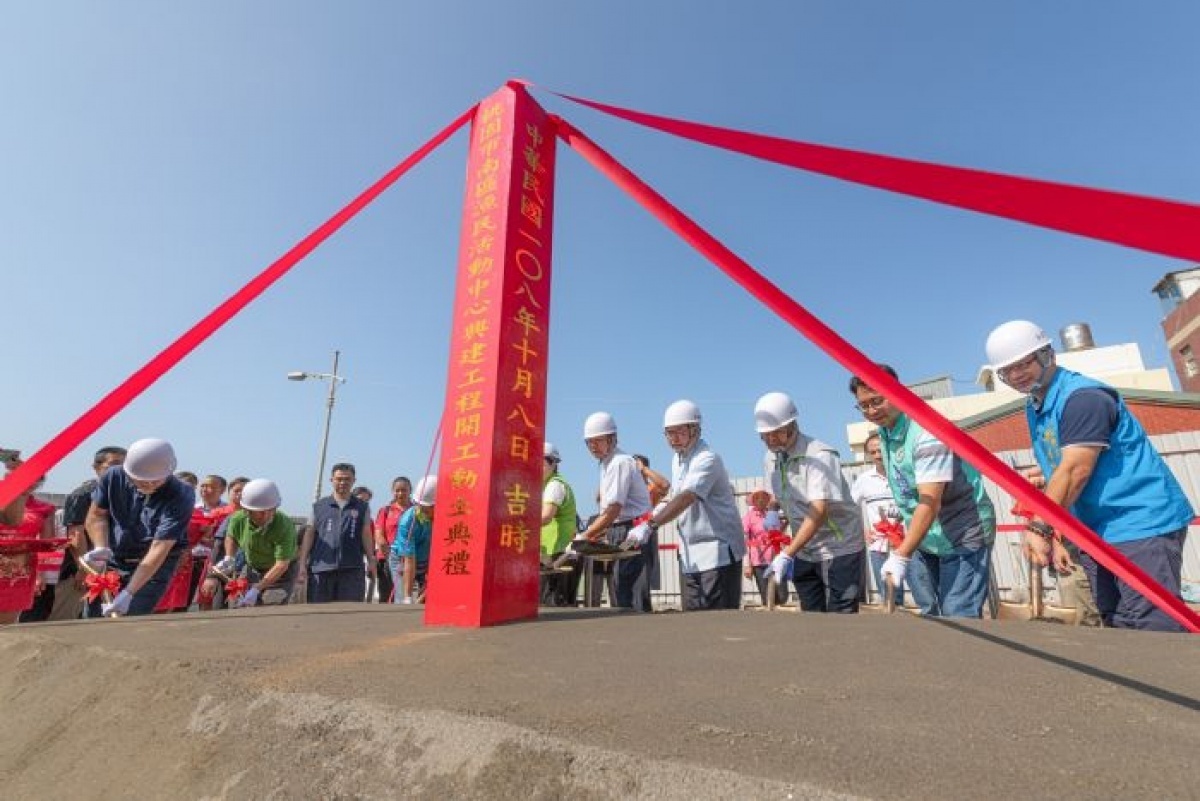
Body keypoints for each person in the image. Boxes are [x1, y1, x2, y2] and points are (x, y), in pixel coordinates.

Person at [986, 320, 1193, 631]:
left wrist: (1041, 527)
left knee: (1154, 624)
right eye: (1007, 371)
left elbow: (1075, 469)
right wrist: (1056, 518)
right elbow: (1062, 466)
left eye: (1023, 364)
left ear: (1047, 354)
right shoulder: (1037, 405)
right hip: (1094, 530)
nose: (1016, 375)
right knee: (1116, 621)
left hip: (1138, 522)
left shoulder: (1083, 398)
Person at [850, 366, 996, 619]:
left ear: (898, 392)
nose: (872, 411)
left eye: (877, 400)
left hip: (963, 531)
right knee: (932, 611)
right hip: (927, 537)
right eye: (864, 405)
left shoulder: (927, 431)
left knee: (958, 612)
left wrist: (901, 554)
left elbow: (930, 501)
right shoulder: (886, 432)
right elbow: (905, 489)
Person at [625, 401, 745, 610]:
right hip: (691, 555)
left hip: (717, 553)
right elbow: (677, 496)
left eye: (680, 431)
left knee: (720, 624)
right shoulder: (677, 460)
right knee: (694, 626)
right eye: (669, 433)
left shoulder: (707, 458)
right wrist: (657, 511)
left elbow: (687, 497)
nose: (674, 438)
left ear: (695, 429)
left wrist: (650, 525)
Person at [756, 392, 865, 614]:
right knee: (811, 616)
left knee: (841, 615)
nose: (771, 440)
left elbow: (819, 509)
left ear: (792, 425)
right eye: (765, 435)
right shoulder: (771, 459)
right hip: (805, 548)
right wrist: (773, 509)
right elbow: (780, 492)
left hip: (838, 547)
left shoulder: (820, 455)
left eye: (777, 433)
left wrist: (787, 553)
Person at [83, 438, 194, 617]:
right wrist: (101, 546)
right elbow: (97, 515)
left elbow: (160, 547)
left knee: (132, 613)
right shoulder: (112, 477)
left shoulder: (182, 494)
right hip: (115, 557)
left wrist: (129, 592)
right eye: (141, 480)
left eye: (156, 481)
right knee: (94, 613)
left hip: (155, 563)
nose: (149, 485)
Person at [578, 412, 654, 612]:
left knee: (633, 594)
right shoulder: (606, 463)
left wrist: (584, 536)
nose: (593, 446)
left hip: (634, 530)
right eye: (589, 442)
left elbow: (612, 510)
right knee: (621, 592)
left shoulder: (619, 462)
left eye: (598, 440)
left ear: (612, 438)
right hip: (621, 528)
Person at [298, 462, 377, 603]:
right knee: (319, 613)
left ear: (354, 481)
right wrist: (303, 562)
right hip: (321, 569)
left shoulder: (362, 507)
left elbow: (366, 534)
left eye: (347, 479)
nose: (343, 482)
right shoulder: (319, 506)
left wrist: (371, 560)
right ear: (332, 480)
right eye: (339, 479)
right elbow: (309, 533)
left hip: (352, 569)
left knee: (349, 615)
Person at [218, 479, 297, 607]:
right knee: (239, 603)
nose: (265, 516)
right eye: (259, 512)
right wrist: (229, 557)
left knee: (271, 605)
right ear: (246, 510)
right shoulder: (238, 519)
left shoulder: (284, 526)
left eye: (270, 510)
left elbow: (281, 565)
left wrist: (257, 589)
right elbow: (231, 537)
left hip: (281, 573)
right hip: (252, 567)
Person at [851, 432, 906, 607]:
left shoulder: (904, 473)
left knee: (923, 592)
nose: (877, 455)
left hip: (908, 542)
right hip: (879, 544)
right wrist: (863, 530)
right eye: (872, 452)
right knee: (888, 596)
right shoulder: (864, 480)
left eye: (880, 450)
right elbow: (850, 510)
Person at [0, 469, 56, 625]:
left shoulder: (44, 508)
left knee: (6, 626)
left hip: (19, 572)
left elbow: (47, 544)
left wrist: (41, 574)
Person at [540, 443, 579, 607]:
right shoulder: (545, 485)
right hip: (552, 553)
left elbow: (546, 516)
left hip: (559, 555)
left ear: (553, 463)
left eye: (540, 462)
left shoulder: (554, 485)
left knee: (553, 606)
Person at [389, 476, 436, 605]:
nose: (426, 511)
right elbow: (409, 560)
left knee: (428, 599)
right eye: (423, 507)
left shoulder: (445, 516)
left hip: (427, 559)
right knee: (403, 599)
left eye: (430, 507)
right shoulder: (408, 521)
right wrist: (408, 597)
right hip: (403, 558)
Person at [743, 489, 788, 607]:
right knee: (767, 597)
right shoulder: (749, 517)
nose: (761, 500)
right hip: (759, 561)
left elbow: (778, 533)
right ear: (753, 501)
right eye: (757, 498)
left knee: (782, 596)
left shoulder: (773, 514)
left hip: (776, 558)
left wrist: (786, 522)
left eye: (764, 497)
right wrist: (748, 565)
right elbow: (745, 541)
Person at [373, 477, 412, 603]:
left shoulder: (417, 511)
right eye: (397, 490)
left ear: (410, 490)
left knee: (404, 596)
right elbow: (378, 534)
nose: (400, 493)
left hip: (410, 560)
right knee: (386, 596)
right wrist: (390, 555)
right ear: (392, 491)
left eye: (404, 490)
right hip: (387, 558)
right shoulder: (385, 510)